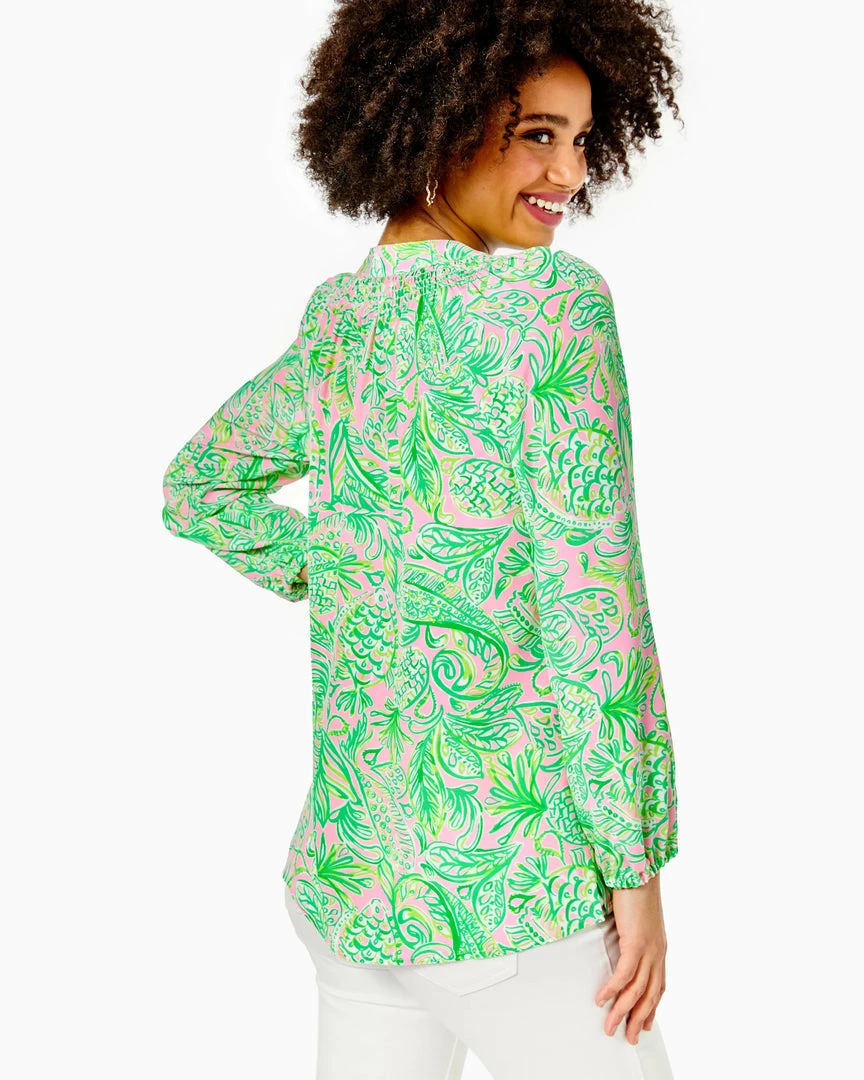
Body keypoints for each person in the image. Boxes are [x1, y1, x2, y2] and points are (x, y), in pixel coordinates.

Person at [161, 2, 684, 1077]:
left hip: (349, 883)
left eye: (581, 139)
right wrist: (635, 870)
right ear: (442, 122)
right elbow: (595, 608)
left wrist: (352, 563)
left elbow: (202, 485)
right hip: (512, 901)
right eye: (536, 133)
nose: (571, 173)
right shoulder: (552, 311)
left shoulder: (341, 321)